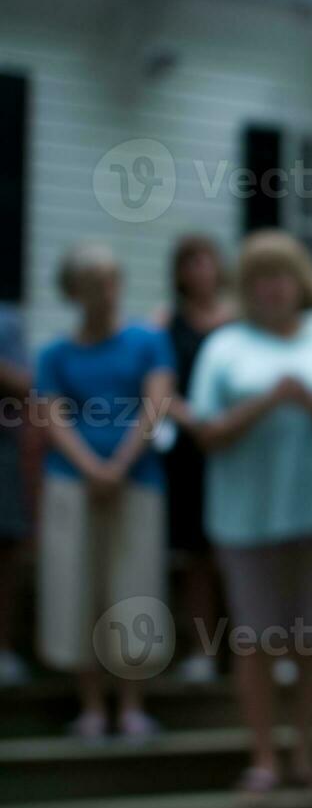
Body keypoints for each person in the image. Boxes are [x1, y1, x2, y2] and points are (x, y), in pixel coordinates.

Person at [189, 230, 312, 793]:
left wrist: (309, 400)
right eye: (260, 278)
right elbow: (207, 431)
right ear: (247, 287)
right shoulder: (223, 346)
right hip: (246, 521)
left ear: (300, 281)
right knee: (257, 641)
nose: (273, 287)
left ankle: (307, 756)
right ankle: (264, 758)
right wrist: (269, 401)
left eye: (282, 274)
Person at [35, 243, 175, 739]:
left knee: (133, 589)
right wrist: (91, 468)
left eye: (112, 279)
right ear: (73, 291)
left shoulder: (148, 341)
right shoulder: (54, 354)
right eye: (94, 281)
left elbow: (155, 404)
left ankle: (132, 703)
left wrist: (117, 466)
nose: (106, 291)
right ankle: (91, 705)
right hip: (72, 486)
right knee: (78, 588)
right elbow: (52, 417)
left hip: (138, 483)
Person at [156, 235, 235, 683]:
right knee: (196, 554)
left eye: (208, 261)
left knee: (236, 552)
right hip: (191, 452)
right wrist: (200, 423)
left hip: (236, 450)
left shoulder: (237, 322)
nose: (201, 272)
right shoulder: (166, 324)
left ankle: (248, 649)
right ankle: (202, 652)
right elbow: (162, 391)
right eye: (192, 263)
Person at [0, 303, 32, 685]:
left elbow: (28, 386)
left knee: (4, 550)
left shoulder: (8, 321)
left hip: (3, 449)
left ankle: (3, 649)